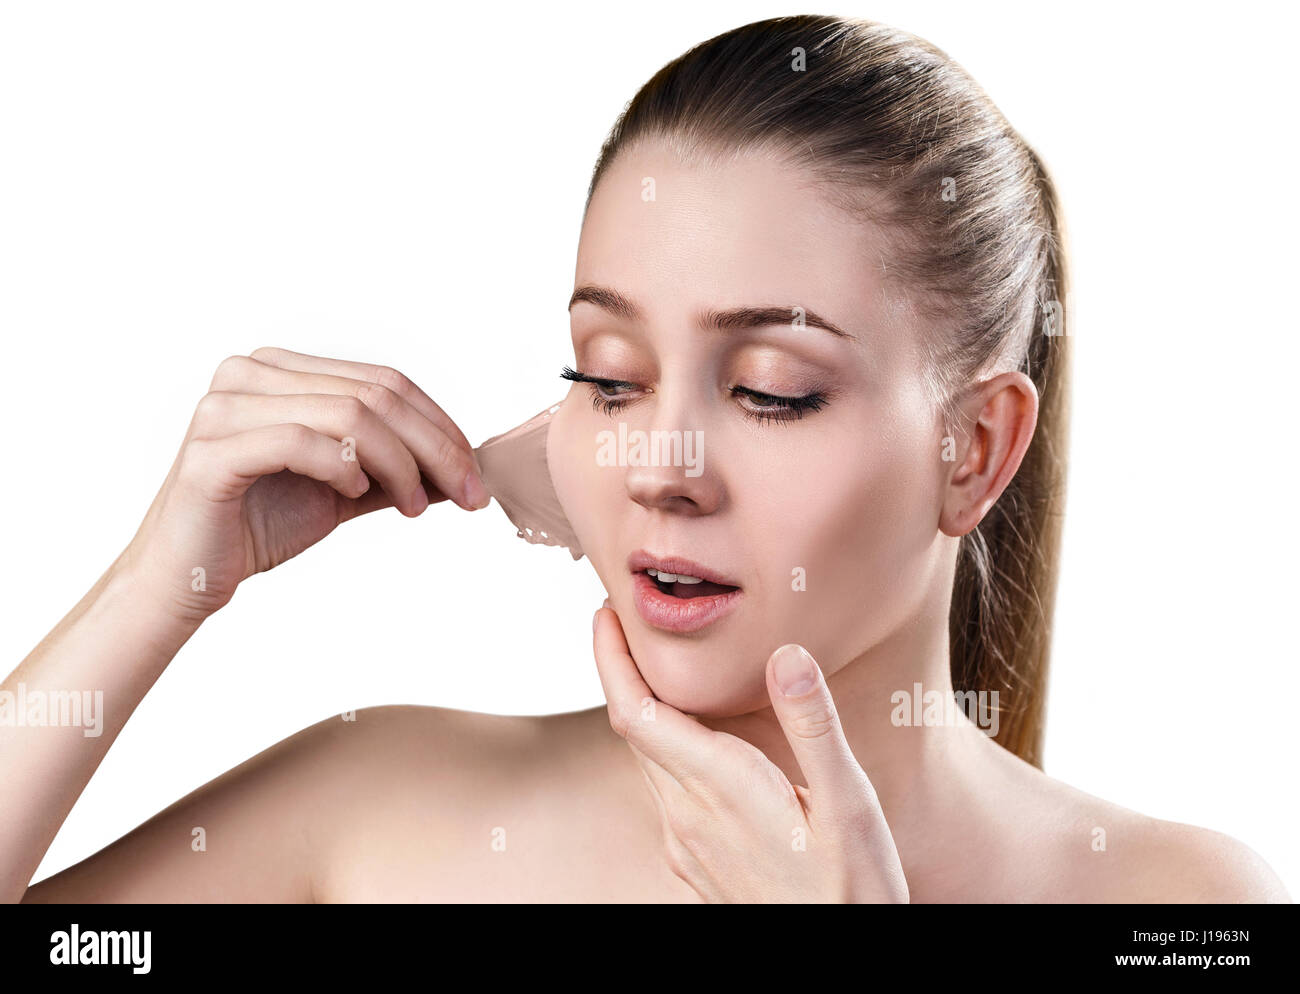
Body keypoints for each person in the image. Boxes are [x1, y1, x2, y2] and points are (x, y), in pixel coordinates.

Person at [6, 14, 1288, 903]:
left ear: (973, 448)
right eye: (605, 378)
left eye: (771, 391)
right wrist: (158, 582)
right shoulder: (379, 807)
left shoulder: (1186, 908)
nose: (660, 464)